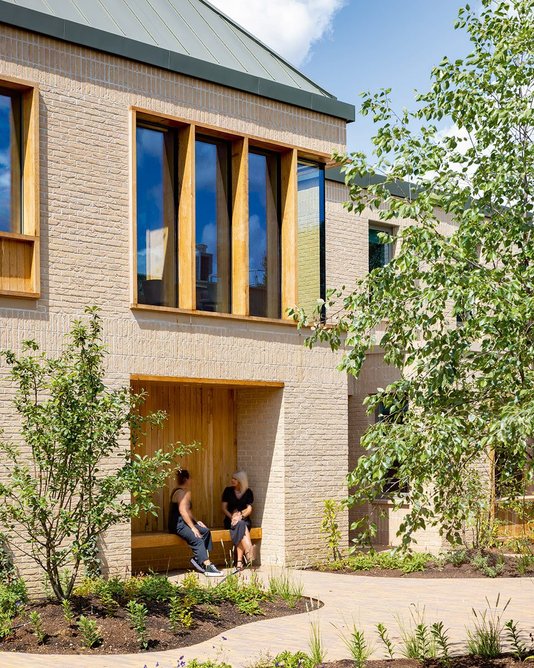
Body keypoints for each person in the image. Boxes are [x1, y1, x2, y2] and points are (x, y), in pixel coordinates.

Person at [169, 469, 223, 577]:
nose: (191, 480)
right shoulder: (180, 493)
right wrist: (193, 527)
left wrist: (197, 521)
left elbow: (188, 511)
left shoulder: (184, 492)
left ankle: (200, 559)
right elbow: (183, 512)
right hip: (178, 525)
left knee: (206, 531)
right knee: (197, 539)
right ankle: (207, 567)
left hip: (184, 523)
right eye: (190, 478)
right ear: (186, 479)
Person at [221, 471, 254, 571]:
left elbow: (249, 509)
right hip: (230, 520)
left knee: (241, 525)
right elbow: (223, 508)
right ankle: (248, 552)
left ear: (241, 481)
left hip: (243, 519)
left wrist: (240, 516)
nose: (232, 480)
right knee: (241, 527)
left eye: (235, 479)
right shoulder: (228, 491)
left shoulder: (248, 492)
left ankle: (239, 561)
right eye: (232, 478)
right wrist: (232, 517)